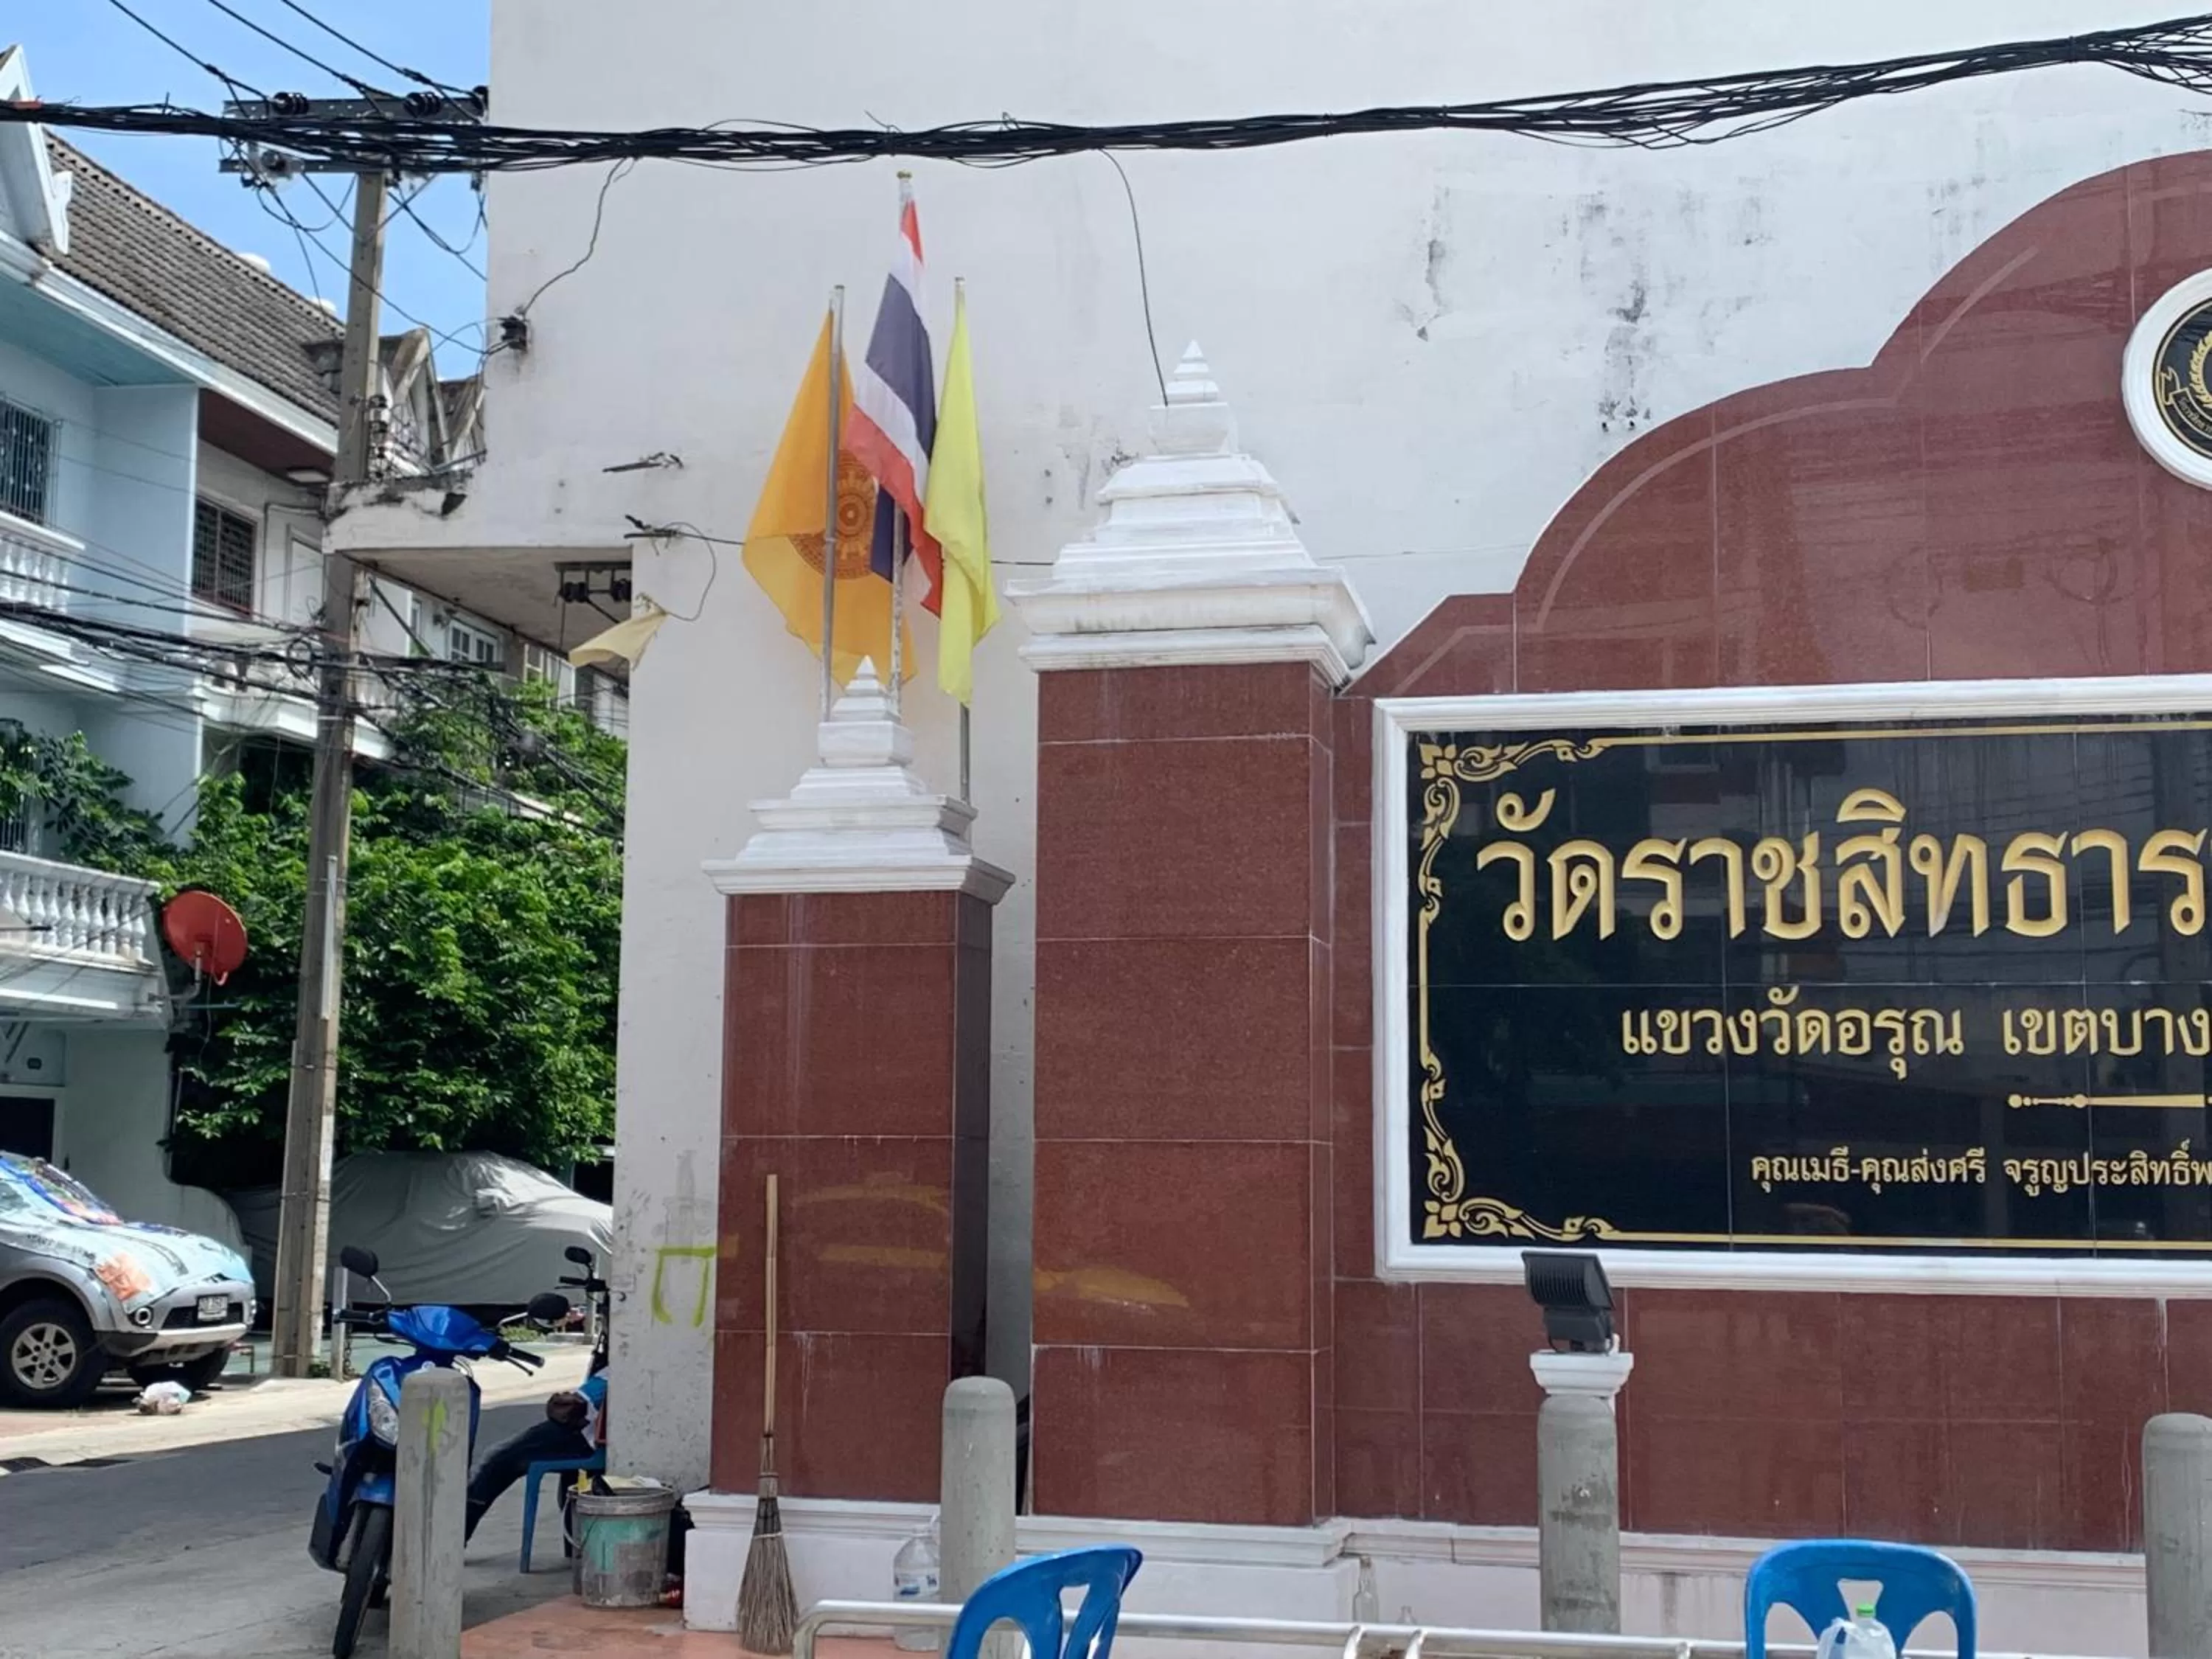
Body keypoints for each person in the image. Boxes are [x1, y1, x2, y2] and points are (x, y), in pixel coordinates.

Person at [463, 1368, 608, 1543]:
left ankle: (457, 1535)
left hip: (583, 1434)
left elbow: (573, 1408)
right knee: (500, 1456)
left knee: (497, 1459)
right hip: (585, 1430)